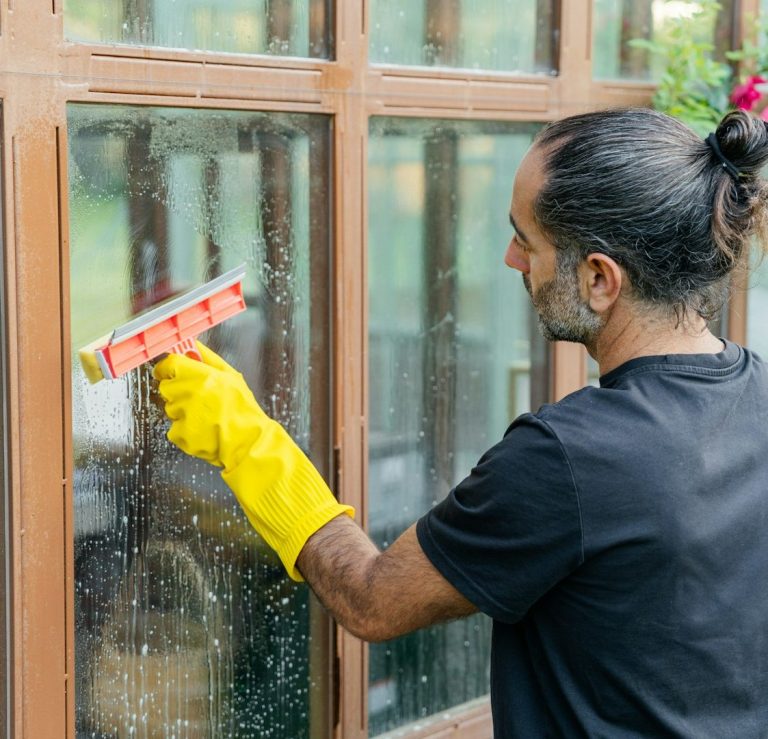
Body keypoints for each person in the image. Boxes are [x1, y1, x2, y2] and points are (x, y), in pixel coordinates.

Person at [154, 107, 768, 737]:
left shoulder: (571, 459)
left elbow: (371, 598)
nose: (511, 259)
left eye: (527, 242)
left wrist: (247, 440)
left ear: (599, 278)